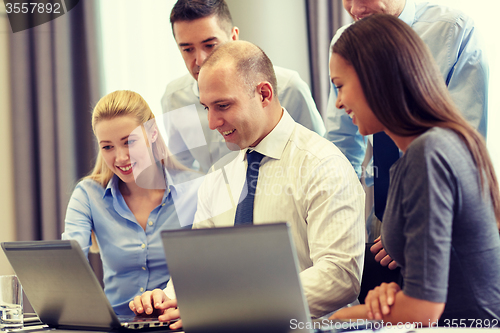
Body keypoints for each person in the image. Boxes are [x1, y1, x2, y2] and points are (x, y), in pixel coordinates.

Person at [130, 41, 366, 330]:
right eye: (206, 107)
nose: (213, 122)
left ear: (264, 94)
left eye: (223, 106)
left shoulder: (323, 164)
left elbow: (340, 276)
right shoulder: (219, 177)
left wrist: (234, 305)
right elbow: (199, 267)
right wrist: (166, 299)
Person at [328, 14, 500, 324]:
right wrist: (392, 295)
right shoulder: (429, 148)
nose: (338, 102)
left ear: (376, 78)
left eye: (340, 86)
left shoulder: (428, 153)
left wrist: (339, 318)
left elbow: (424, 308)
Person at [325, 0, 488, 242]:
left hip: (436, 211)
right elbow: (342, 143)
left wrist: (412, 226)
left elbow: (461, 150)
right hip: (380, 217)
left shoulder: (453, 30)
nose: (354, 9)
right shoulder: (347, 39)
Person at [62, 90, 202, 315]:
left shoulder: (196, 189)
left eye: (129, 142)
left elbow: (212, 269)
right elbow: (69, 263)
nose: (120, 158)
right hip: (115, 326)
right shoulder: (88, 195)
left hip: (178, 322)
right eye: (107, 146)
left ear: (153, 133)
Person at [163, 0, 325, 173]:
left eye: (210, 45)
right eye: (188, 49)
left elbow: (318, 156)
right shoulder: (174, 99)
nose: (200, 60)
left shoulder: (288, 88)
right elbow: (183, 171)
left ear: (233, 38)